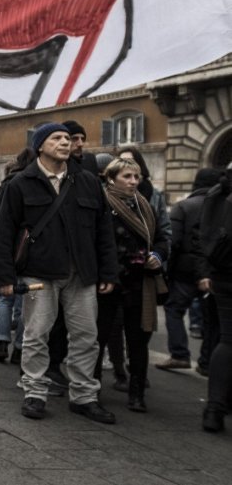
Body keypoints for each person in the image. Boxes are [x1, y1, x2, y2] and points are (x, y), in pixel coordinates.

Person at [0, 123, 119, 423]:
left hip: (82, 273)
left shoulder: (87, 182)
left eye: (67, 138)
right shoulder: (21, 183)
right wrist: (5, 277)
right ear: (40, 146)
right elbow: (4, 233)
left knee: (86, 337)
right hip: (39, 273)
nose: (65, 142)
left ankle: (84, 396)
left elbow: (104, 232)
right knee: (36, 334)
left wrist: (108, 272)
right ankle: (34, 392)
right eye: (56, 138)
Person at [97, 158, 169, 413]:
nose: (133, 182)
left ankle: (136, 392)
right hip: (109, 282)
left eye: (136, 177)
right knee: (100, 336)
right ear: (111, 178)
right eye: (127, 176)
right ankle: (91, 388)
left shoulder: (145, 205)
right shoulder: (101, 203)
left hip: (140, 282)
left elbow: (161, 238)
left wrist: (157, 256)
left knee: (139, 339)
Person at [157, 168, 223, 373]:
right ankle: (206, 361)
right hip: (212, 271)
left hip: (184, 271)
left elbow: (173, 241)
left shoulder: (184, 206)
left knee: (174, 310)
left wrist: (167, 270)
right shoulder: (223, 207)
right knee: (211, 318)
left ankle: (179, 354)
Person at [0, 148, 36, 365]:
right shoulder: (33, 183)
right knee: (27, 301)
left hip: (6, 246)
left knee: (5, 299)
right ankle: (19, 348)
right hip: (27, 247)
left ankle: (2, 343)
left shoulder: (7, 182)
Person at [196, 163, 232, 432]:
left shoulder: (217, 191)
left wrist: (207, 270)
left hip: (222, 273)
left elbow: (205, 234)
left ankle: (215, 408)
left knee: (227, 339)